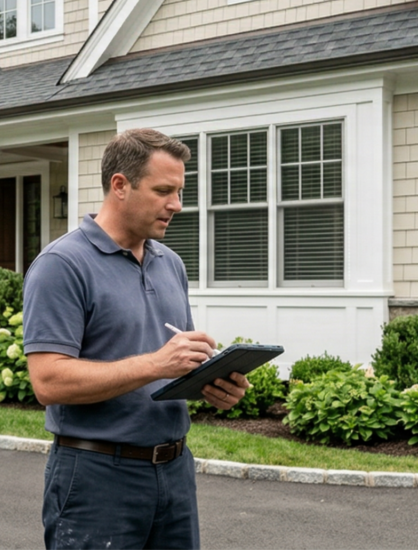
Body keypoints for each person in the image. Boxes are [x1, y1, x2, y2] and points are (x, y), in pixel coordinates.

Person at [23, 128, 251, 550]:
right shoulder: (62, 265)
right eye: (163, 190)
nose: (176, 205)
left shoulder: (170, 264)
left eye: (179, 191)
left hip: (174, 472)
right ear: (120, 186)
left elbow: (170, 370)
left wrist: (211, 385)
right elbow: (48, 382)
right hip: (95, 477)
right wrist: (156, 363)